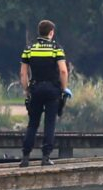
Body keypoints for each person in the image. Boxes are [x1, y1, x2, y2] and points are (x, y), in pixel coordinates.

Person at [19, 20, 70, 167]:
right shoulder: (56, 48)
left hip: (36, 88)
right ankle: (46, 157)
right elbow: (63, 71)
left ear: (39, 32)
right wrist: (64, 88)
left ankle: (25, 157)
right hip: (52, 90)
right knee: (50, 124)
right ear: (51, 32)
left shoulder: (29, 49)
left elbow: (23, 73)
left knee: (33, 124)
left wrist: (27, 89)